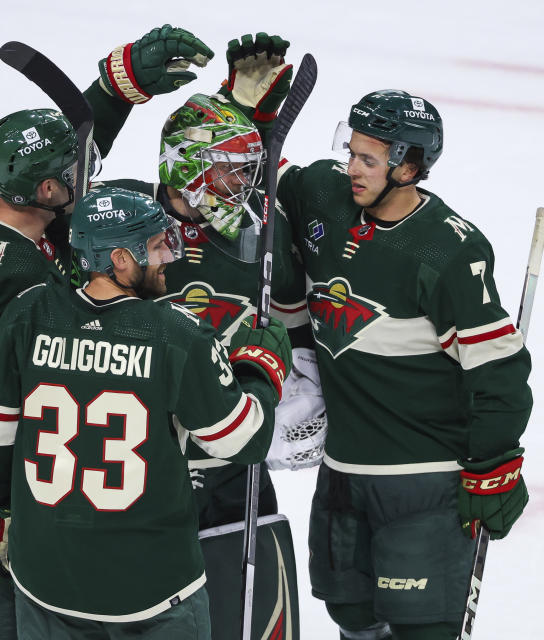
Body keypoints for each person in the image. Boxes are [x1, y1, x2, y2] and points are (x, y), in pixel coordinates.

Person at [0, 25, 214, 640]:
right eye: (75, 175)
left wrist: (116, 88)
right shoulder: (4, 267)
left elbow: (58, 157)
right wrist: (39, 366)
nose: (90, 177)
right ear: (45, 190)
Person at [0, 187, 292, 640]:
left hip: (45, 580)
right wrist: (258, 372)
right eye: (157, 246)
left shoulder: (29, 314)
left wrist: (5, 513)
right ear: (119, 257)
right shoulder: (178, 333)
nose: (168, 258)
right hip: (152, 590)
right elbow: (241, 442)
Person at [274, 90, 534, 640]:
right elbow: (261, 174)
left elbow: (499, 374)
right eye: (351, 152)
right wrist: (251, 112)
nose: (351, 169)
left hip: (424, 481)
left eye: (368, 160)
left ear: (410, 167)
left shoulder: (447, 251)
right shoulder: (326, 195)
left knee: (424, 629)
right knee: (351, 616)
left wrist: (494, 463)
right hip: (343, 473)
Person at [93, 36, 319, 634]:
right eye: (227, 176)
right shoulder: (119, 218)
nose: (241, 189)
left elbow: (291, 322)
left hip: (235, 466)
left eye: (246, 175)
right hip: (140, 471)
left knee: (256, 617)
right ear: (187, 173)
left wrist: (301, 387)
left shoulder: (257, 225)